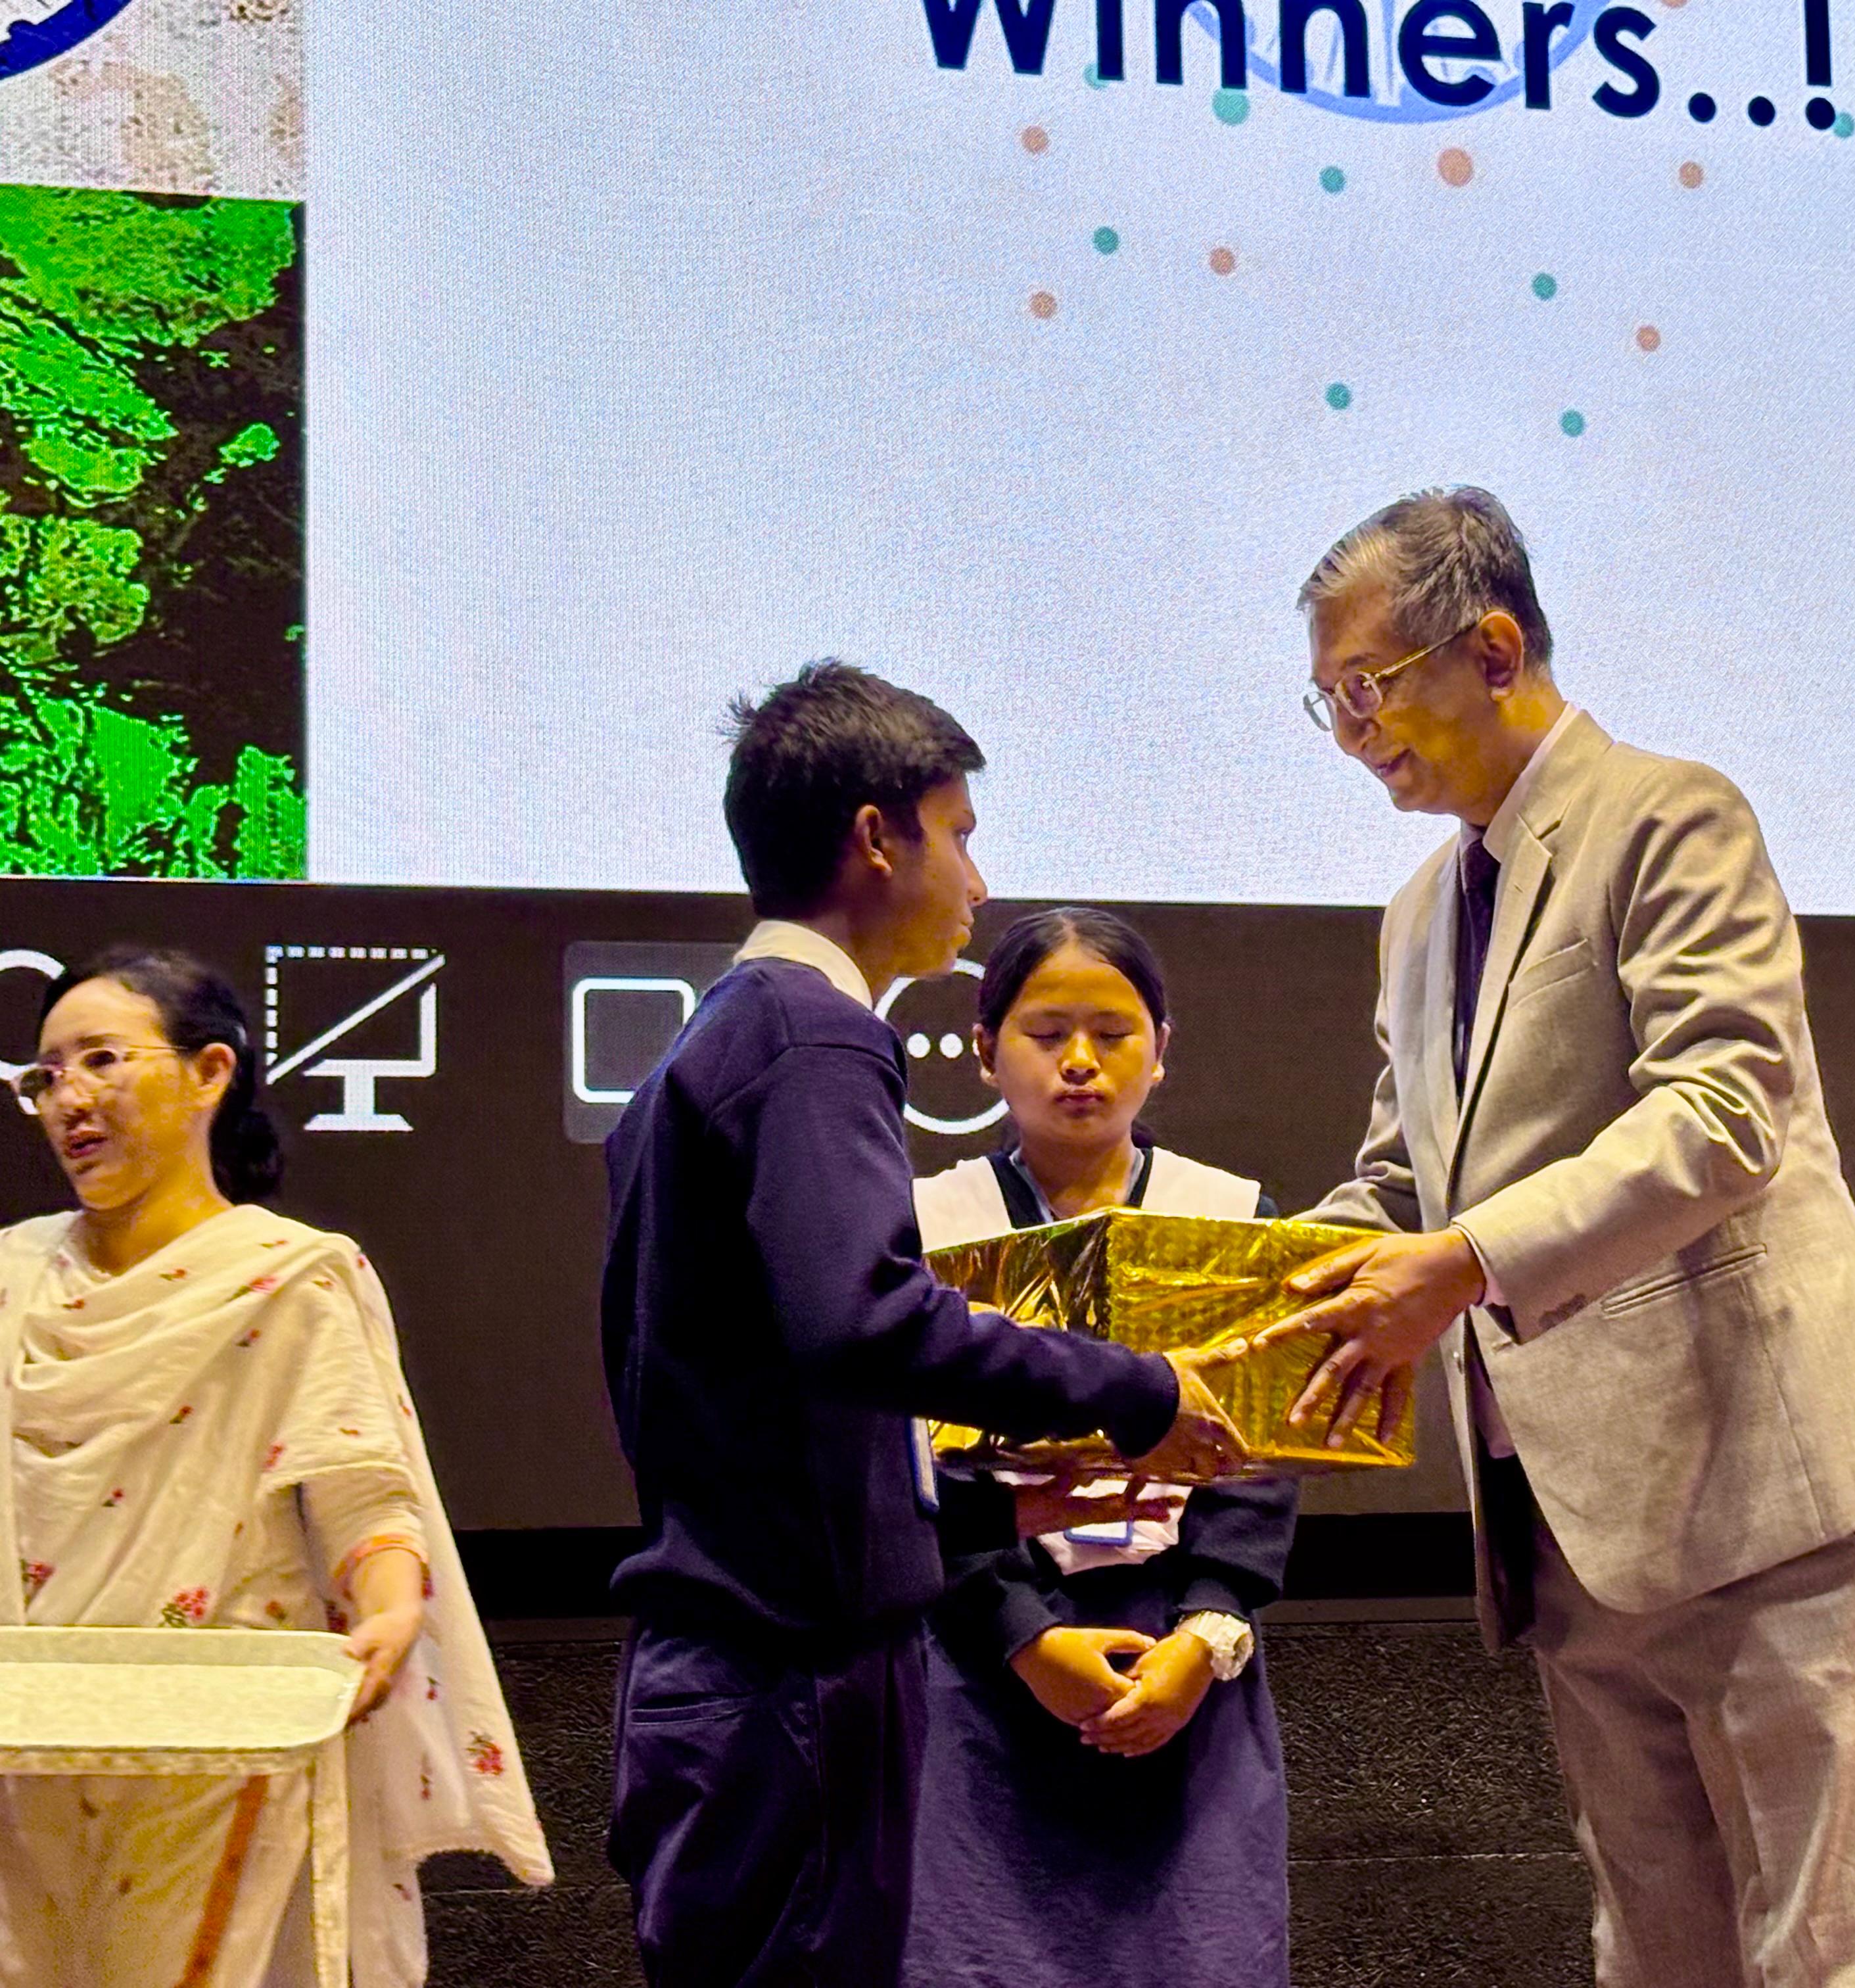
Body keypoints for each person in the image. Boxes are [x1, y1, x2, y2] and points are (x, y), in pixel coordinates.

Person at [1270, 489, 1855, 1987]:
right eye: (1327, 704)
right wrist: (1214, 1302)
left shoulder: (1669, 814)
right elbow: (1402, 1188)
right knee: (1658, 1955)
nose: (1352, 734)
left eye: (1368, 687)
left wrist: (1464, 1265)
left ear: (1493, 648)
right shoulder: (1416, 915)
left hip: (1759, 1477)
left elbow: (1723, 1113)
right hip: (1568, 1516)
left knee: (1835, 1948)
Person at [600, 663, 1249, 1988]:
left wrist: (979, 1502)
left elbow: (778, 1379)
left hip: (731, 1676)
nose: (977, 880)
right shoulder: (815, 1034)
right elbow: (864, 1320)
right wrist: (1137, 1391)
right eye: (957, 832)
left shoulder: (720, 1037)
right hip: (789, 1685)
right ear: (876, 838)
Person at [0, 947, 549, 1988]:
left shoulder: (288, 1278)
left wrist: (389, 1609)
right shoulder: (13, 1277)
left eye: (102, 1060)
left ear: (210, 1072)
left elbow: (362, 1486)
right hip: (23, 1752)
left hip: (213, 1745)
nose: (69, 1099)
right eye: (47, 1076)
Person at [905, 907, 1296, 1988]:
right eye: (1045, 1034)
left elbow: (1260, 1454)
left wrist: (1206, 1632)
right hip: (982, 1656)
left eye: (1114, 1033)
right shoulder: (927, 1222)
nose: (1079, 1061)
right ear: (984, 1051)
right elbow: (907, 1462)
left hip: (1183, 1659)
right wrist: (1023, 1636)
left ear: (1161, 1049)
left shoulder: (1230, 1213)